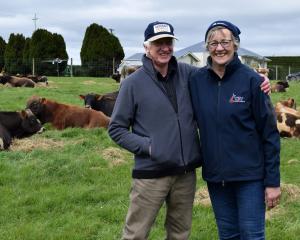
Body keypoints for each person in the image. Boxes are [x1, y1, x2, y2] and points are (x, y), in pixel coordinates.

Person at [108, 21, 271, 240]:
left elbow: (220, 73)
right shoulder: (133, 84)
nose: (164, 47)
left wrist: (257, 78)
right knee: (136, 234)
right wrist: (149, 147)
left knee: (179, 234)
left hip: (185, 174)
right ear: (147, 47)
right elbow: (116, 129)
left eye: (168, 42)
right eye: (158, 43)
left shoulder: (189, 74)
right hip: (151, 173)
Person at [189, 20, 281, 240]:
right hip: (216, 178)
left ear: (236, 45)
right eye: (213, 43)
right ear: (207, 47)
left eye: (225, 42)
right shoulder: (196, 80)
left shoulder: (251, 81)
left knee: (252, 235)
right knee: (228, 235)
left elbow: (269, 134)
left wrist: (273, 182)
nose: (219, 48)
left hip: (249, 177)